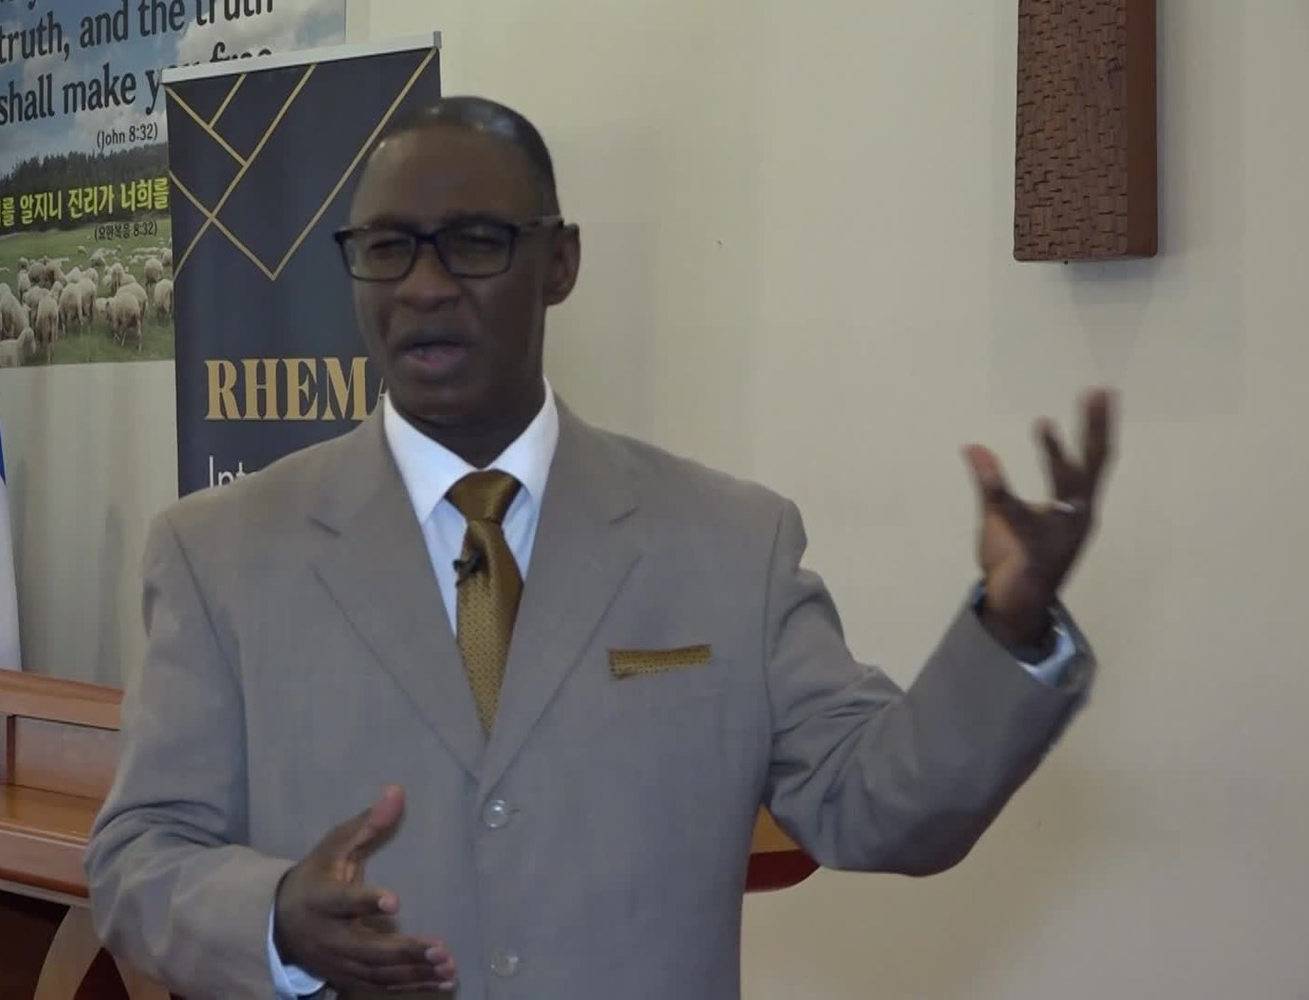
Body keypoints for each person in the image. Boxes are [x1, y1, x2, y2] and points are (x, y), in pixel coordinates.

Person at [84, 95, 1116, 999]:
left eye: (474, 242)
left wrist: (1010, 627)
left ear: (560, 263)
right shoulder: (219, 554)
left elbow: (880, 806)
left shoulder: (729, 545)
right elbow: (138, 859)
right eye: (389, 248)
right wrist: (274, 917)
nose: (425, 286)